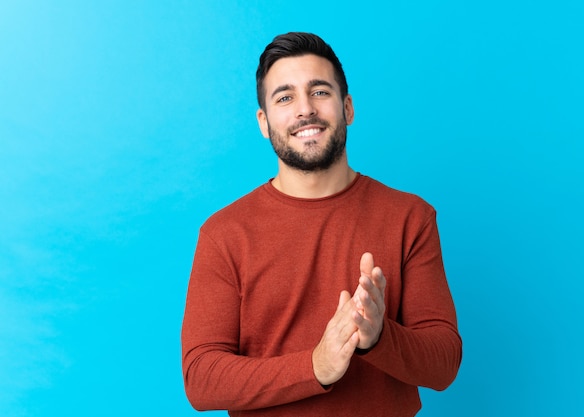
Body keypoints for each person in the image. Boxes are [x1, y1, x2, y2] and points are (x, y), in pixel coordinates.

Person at [181, 32, 462, 416]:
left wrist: (379, 336)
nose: (304, 110)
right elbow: (201, 379)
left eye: (320, 92)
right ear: (264, 122)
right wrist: (315, 366)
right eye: (285, 97)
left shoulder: (410, 217)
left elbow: (444, 364)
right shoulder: (224, 233)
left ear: (347, 108)